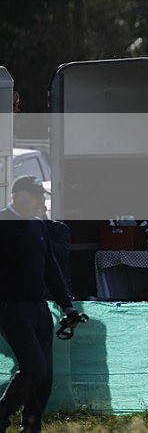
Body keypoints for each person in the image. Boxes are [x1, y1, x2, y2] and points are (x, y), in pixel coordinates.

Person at [0, 176, 80, 432]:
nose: (40, 201)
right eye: (36, 196)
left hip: (39, 307)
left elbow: (51, 272)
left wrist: (67, 306)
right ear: (18, 195)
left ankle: (31, 426)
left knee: (44, 375)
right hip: (10, 308)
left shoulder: (39, 227)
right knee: (34, 367)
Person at [35, 193, 73, 298]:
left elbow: (62, 254)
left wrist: (39, 231)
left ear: (43, 209)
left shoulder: (59, 228)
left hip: (54, 290)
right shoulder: (21, 230)